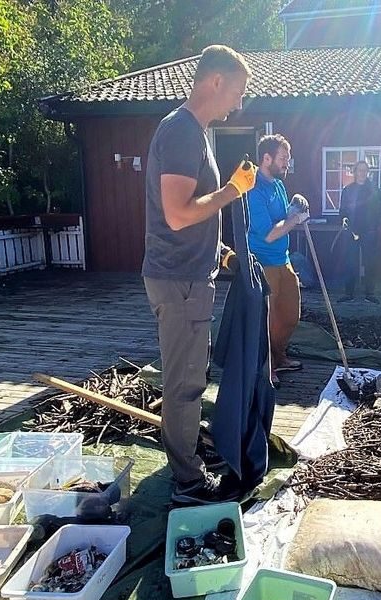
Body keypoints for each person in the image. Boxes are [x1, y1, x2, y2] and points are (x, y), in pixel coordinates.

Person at [143, 45, 256, 505]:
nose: (240, 102)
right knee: (185, 384)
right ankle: (188, 483)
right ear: (214, 82)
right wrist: (232, 190)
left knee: (189, 376)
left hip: (189, 275)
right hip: (180, 281)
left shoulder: (194, 132)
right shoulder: (182, 133)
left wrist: (221, 251)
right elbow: (176, 214)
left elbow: (191, 215)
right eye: (238, 90)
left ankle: (187, 456)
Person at [245, 133, 309, 384]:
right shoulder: (254, 191)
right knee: (267, 320)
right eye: (283, 158)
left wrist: (296, 202)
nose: (287, 163)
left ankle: (279, 356)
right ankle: (266, 365)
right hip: (263, 263)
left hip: (283, 260)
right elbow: (271, 233)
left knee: (291, 315)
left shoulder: (279, 185)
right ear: (267, 158)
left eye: (288, 158)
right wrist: (295, 219)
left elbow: (283, 215)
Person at [338, 160, 381, 303]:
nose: (362, 173)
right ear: (355, 172)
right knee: (350, 262)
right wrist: (344, 219)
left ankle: (370, 293)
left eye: (365, 170)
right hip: (352, 231)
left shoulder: (375, 190)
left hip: (369, 232)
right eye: (359, 170)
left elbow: (380, 210)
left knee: (370, 262)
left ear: (367, 172)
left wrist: (375, 226)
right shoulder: (348, 190)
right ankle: (349, 293)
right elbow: (343, 210)